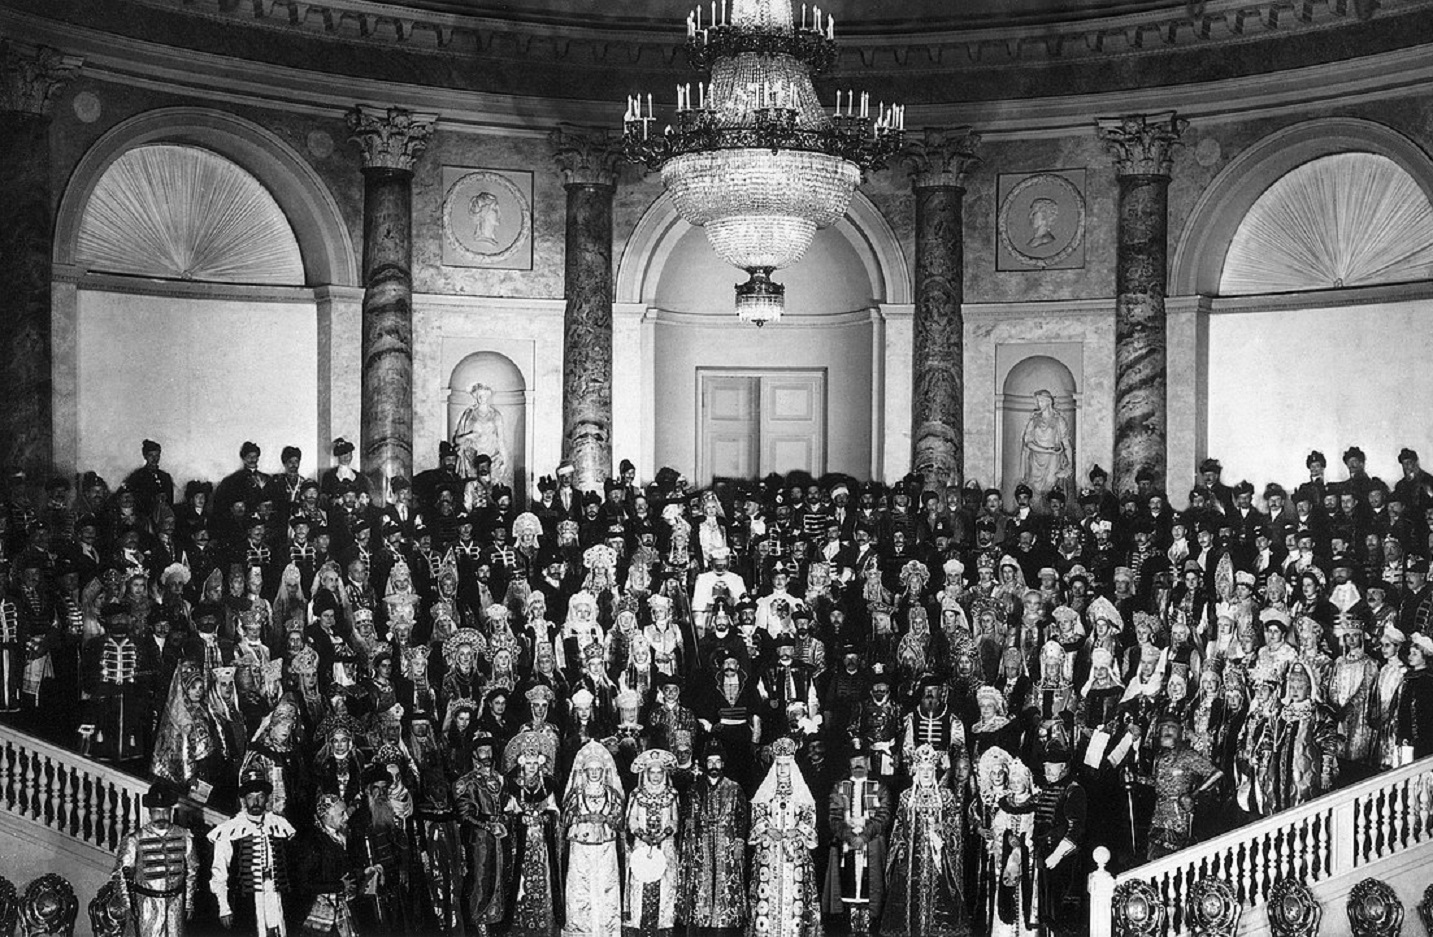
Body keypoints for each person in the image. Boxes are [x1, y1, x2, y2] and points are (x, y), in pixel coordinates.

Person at [881, 743, 969, 937]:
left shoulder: (946, 797)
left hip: (939, 863)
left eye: (930, 769)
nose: (926, 773)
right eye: (922, 769)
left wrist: (941, 831)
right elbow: (898, 827)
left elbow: (956, 829)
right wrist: (900, 847)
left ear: (935, 771)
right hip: (911, 863)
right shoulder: (906, 797)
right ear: (916, 771)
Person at [747, 737, 821, 937]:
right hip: (769, 853)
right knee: (766, 895)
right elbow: (757, 816)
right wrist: (767, 829)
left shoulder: (801, 793)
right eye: (779, 765)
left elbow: (809, 818)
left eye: (786, 765)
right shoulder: (765, 792)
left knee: (795, 896)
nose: (782, 770)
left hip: (794, 853)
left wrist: (797, 831)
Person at [208, 774, 297, 937]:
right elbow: (219, 871)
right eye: (251, 797)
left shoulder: (278, 824)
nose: (256, 802)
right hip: (245, 899)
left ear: (267, 799)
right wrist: (224, 907)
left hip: (276, 894)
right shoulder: (230, 829)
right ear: (244, 800)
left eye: (260, 797)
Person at [678, 740, 749, 937]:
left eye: (717, 762)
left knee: (727, 880)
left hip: (727, 843)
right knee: (702, 881)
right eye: (710, 762)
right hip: (702, 844)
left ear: (723, 764)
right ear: (705, 764)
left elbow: (742, 816)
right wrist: (690, 830)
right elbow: (687, 816)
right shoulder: (695, 788)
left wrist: (739, 841)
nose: (714, 765)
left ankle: (726, 921)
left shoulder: (734, 788)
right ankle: (702, 920)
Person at [113, 782, 197, 937]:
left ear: (171, 811)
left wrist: (188, 903)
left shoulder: (185, 836)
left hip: (175, 905)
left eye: (165, 811)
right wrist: (128, 906)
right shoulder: (135, 839)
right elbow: (121, 875)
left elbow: (192, 872)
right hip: (147, 906)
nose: (161, 816)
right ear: (150, 812)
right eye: (157, 812)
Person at [823, 749, 891, 934]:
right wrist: (851, 837)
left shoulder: (880, 787)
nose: (858, 765)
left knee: (871, 889)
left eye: (861, 760)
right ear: (849, 764)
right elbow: (834, 817)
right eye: (854, 761)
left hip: (872, 844)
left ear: (868, 762)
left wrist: (864, 837)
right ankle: (850, 928)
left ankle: (870, 928)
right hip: (846, 845)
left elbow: (883, 816)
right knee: (848, 888)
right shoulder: (840, 787)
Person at [561, 740, 625, 937]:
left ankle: (606, 929)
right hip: (581, 846)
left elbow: (620, 820)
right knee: (580, 886)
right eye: (591, 769)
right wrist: (584, 818)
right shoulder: (576, 794)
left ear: (604, 771)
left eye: (598, 769)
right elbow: (565, 819)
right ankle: (581, 929)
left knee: (606, 884)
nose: (595, 773)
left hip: (605, 846)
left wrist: (607, 819)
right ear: (585, 771)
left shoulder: (612, 794)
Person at [504, 733, 563, 937]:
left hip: (542, 842)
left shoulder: (548, 785)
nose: (531, 767)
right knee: (519, 879)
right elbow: (508, 813)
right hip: (521, 844)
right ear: (522, 763)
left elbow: (555, 811)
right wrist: (519, 819)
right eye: (528, 763)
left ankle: (544, 922)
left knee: (545, 877)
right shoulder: (513, 785)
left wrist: (546, 817)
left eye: (535, 763)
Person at [453, 735, 508, 935]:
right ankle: (478, 922)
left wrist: (505, 820)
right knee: (480, 879)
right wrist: (488, 825)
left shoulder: (500, 779)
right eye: (482, 751)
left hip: (501, 837)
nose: (487, 755)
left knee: (501, 877)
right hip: (479, 839)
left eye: (489, 750)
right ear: (475, 754)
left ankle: (496, 924)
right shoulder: (465, 782)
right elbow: (465, 815)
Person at [624, 748, 681, 937]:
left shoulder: (671, 794)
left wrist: (663, 835)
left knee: (666, 884)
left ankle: (663, 926)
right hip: (642, 846)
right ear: (646, 774)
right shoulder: (637, 794)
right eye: (652, 772)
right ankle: (638, 925)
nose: (656, 777)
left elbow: (674, 820)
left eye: (659, 772)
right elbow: (631, 820)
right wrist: (642, 835)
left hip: (664, 846)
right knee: (640, 883)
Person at [293, 793, 366, 937]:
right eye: (341, 813)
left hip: (341, 909)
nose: (345, 817)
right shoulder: (313, 841)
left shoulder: (339, 835)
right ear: (327, 815)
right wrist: (339, 886)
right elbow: (304, 883)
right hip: (321, 914)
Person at [453, 383, 511, 488]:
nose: (481, 398)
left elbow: (501, 440)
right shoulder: (469, 415)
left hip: (492, 457)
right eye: (479, 395)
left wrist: (505, 460)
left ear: (488, 396)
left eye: (484, 395)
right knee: (473, 488)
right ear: (475, 396)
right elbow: (458, 440)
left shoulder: (496, 415)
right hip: (471, 457)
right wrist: (469, 435)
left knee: (491, 488)